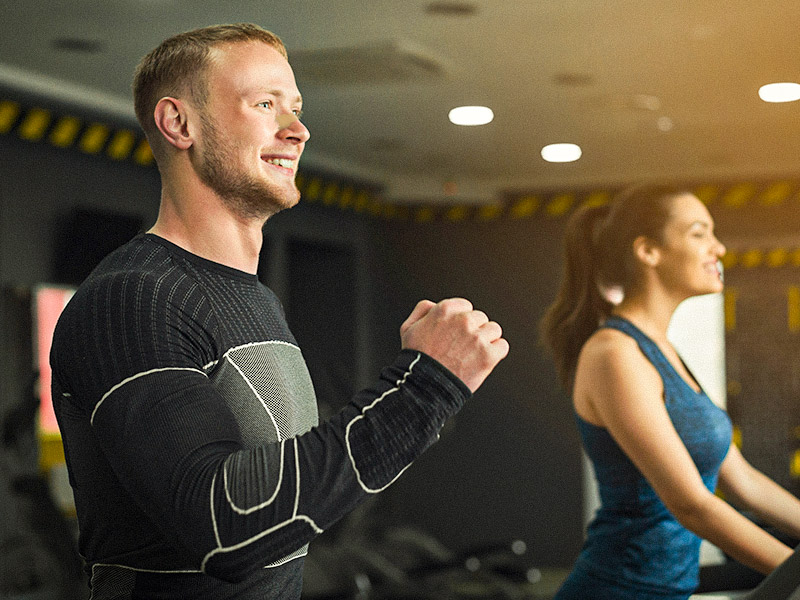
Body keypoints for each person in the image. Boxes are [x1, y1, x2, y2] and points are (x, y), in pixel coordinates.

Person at [49, 23, 509, 600]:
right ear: (178, 123)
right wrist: (426, 388)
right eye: (265, 105)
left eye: (295, 108)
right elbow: (224, 528)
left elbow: (293, 510)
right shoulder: (134, 298)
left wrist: (421, 395)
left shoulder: (254, 299)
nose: (297, 130)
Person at [540, 185, 800, 600]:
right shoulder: (614, 353)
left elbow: (743, 481)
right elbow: (692, 504)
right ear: (648, 251)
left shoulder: (662, 350)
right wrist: (791, 572)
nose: (719, 248)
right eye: (699, 233)